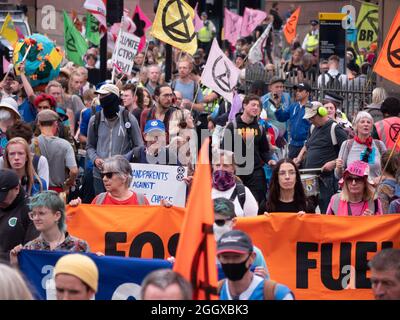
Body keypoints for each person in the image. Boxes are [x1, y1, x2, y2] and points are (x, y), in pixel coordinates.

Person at [86, 83, 143, 195]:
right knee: (102, 207)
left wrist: (123, 160)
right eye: (100, 96)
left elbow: (139, 146)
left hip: (121, 175)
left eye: (105, 96)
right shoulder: (95, 120)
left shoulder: (128, 118)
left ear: (114, 97)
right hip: (100, 175)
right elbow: (89, 146)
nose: (101, 99)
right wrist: (95, 159)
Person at [222, 94, 276, 213]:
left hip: (256, 173)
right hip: (237, 173)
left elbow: (264, 151)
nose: (256, 108)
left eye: (258, 106)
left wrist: (270, 160)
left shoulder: (260, 128)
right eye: (253, 105)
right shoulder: (232, 126)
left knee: (255, 206)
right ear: (244, 105)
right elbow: (224, 151)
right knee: (236, 206)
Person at [294, 101, 348, 213]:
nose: (310, 120)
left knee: (326, 210)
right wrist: (299, 158)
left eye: (312, 118)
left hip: (326, 179)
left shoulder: (335, 128)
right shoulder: (312, 128)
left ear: (321, 113)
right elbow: (307, 145)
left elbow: (347, 152)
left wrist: (333, 163)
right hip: (310, 178)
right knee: (307, 208)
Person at [10, 191, 89, 265]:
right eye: (33, 214)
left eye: (41, 213)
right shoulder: (29, 248)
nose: (36, 218)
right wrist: (15, 264)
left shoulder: (80, 246)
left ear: (57, 215)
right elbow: (24, 278)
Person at [217, 230, 294, 300]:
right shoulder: (213, 293)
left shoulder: (279, 295)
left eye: (237, 256)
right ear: (219, 257)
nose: (231, 262)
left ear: (252, 257)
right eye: (225, 257)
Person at [213, 197, 269, 279]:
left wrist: (261, 281)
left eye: (220, 222)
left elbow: (264, 286)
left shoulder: (252, 252)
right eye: (209, 221)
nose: (214, 226)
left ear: (233, 222)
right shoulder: (197, 252)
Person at [70, 155, 149, 206]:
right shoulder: (99, 200)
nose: (104, 179)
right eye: (103, 175)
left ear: (124, 176)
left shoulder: (141, 201)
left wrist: (161, 212)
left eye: (109, 175)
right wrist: (78, 210)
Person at [33, 110, 78, 193]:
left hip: (37, 191)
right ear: (56, 124)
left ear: (38, 123)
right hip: (58, 192)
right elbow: (74, 171)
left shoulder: (31, 144)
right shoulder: (65, 145)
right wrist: (69, 182)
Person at [0, 169, 38, 261]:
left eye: (2, 196)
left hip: (12, 269)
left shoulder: (31, 209)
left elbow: (31, 251)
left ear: (17, 189)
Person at [335, 111, 386, 181]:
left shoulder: (379, 145)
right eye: (362, 122)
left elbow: (389, 172)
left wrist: (379, 179)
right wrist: (338, 168)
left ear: (371, 127)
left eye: (368, 122)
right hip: (353, 189)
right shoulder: (347, 145)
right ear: (356, 126)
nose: (366, 124)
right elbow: (338, 176)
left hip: (374, 190)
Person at [211, 150, 258, 217]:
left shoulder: (243, 192)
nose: (221, 169)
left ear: (233, 168)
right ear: (213, 167)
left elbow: (253, 222)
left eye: (225, 165)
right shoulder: (204, 192)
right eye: (217, 165)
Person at [3, 121, 49, 187]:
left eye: (20, 153)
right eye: (12, 153)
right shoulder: (2, 160)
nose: (16, 157)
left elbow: (43, 190)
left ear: (29, 143)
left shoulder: (40, 161)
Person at [275, 82, 311, 159]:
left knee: (304, 169)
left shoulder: (311, 107)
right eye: (296, 91)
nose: (297, 93)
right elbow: (281, 118)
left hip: (305, 145)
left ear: (307, 93)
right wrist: (278, 105)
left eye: (300, 91)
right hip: (293, 145)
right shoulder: (293, 105)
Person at [260, 77, 291, 143]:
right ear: (270, 88)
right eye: (277, 87)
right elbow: (262, 120)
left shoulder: (287, 97)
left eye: (281, 87)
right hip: (271, 136)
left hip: (285, 137)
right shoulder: (264, 100)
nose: (280, 89)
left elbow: (289, 114)